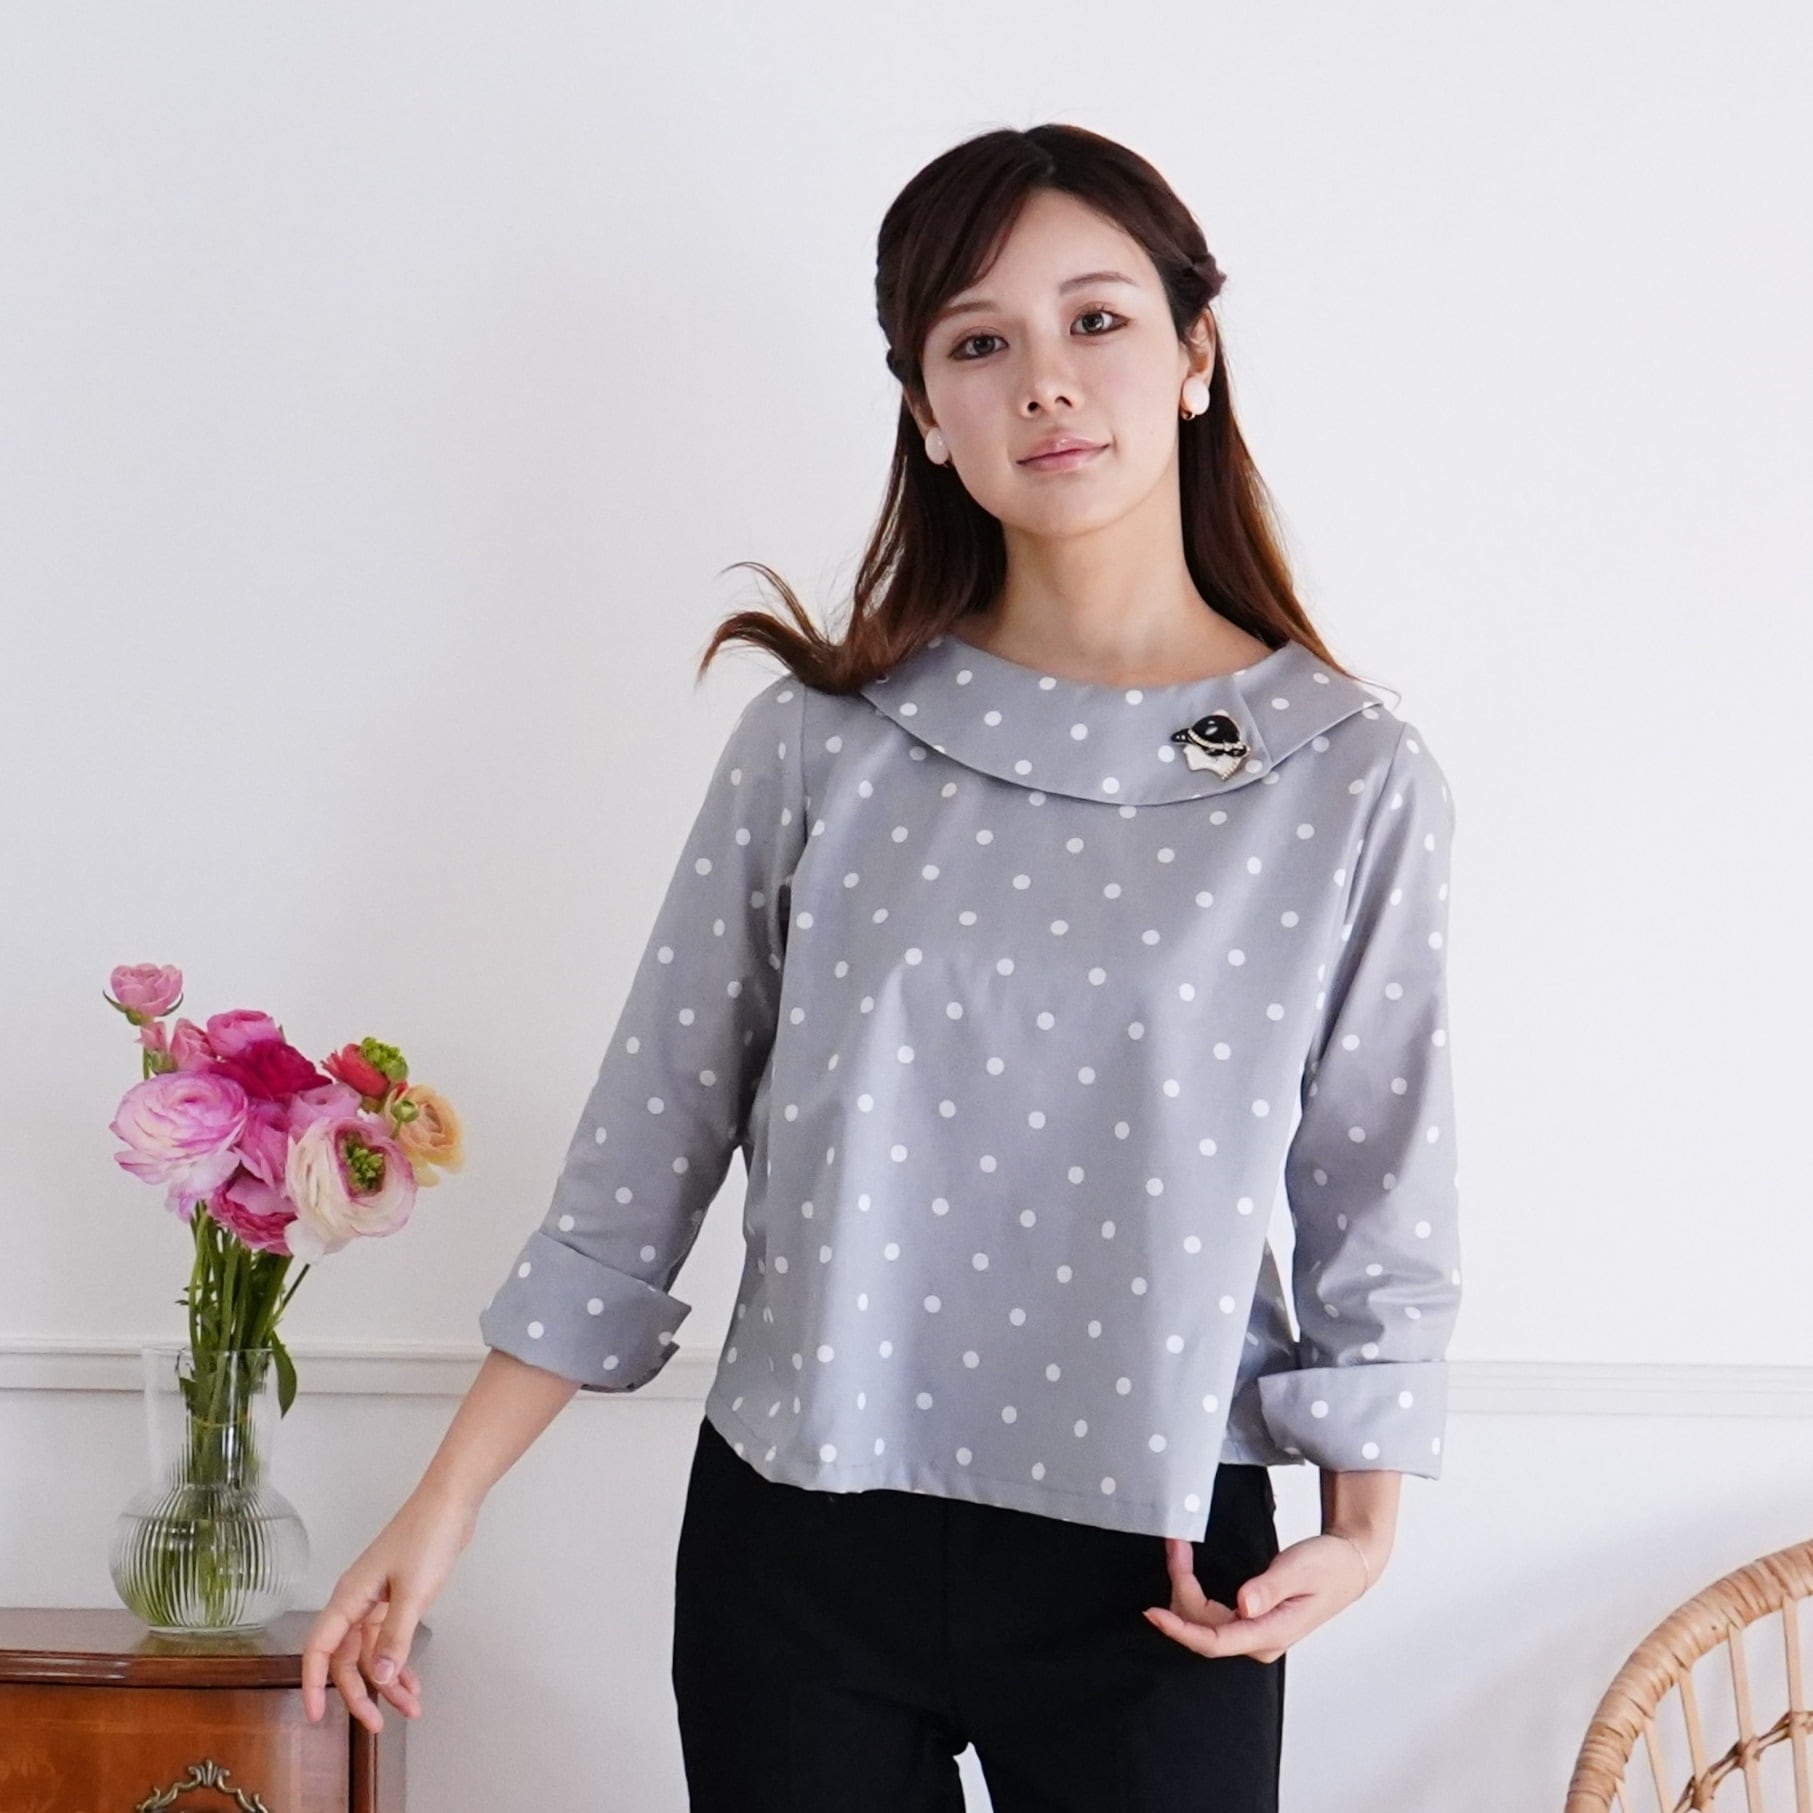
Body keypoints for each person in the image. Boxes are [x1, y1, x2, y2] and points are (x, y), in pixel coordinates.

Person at [302, 121, 1462, 1812]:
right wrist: (445, 1498)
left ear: (1195, 355)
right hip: (803, 1542)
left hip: (1157, 1562)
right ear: (925, 409)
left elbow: (1375, 1179)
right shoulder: (822, 749)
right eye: (976, 343)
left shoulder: (1342, 778)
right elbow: (643, 1151)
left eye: (1095, 319)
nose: (1043, 381)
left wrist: (1362, 1522)